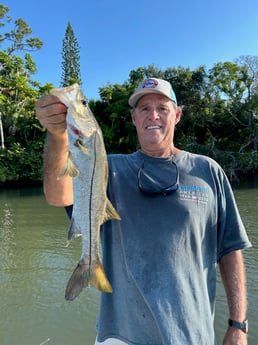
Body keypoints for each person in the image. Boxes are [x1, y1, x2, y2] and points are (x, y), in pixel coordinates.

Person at [36, 78, 251, 345]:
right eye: (144, 108)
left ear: (177, 115)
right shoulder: (110, 169)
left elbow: (230, 249)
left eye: (162, 107)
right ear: (134, 118)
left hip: (192, 335)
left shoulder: (209, 171)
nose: (153, 115)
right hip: (120, 336)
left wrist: (238, 324)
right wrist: (57, 135)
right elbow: (58, 196)